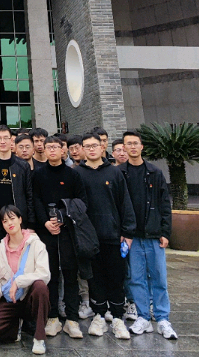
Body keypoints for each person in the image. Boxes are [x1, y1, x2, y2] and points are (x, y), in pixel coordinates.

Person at [119, 131, 177, 340]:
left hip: (153, 235)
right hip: (131, 236)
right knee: (136, 279)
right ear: (124, 148)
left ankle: (162, 318)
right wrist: (122, 233)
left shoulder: (154, 172)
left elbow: (164, 204)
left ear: (142, 146)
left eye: (136, 143)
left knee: (159, 277)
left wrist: (165, 232)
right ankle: (143, 316)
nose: (132, 147)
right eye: (128, 144)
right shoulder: (119, 173)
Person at [76, 132, 135, 340]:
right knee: (94, 279)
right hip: (89, 238)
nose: (91, 149)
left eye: (94, 145)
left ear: (102, 147)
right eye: (87, 146)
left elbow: (125, 203)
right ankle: (99, 315)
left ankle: (118, 318)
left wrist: (127, 232)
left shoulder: (115, 173)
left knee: (116, 278)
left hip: (113, 235)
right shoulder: (78, 173)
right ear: (82, 149)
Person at [32, 136, 87, 339]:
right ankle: (52, 317)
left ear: (63, 150)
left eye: (56, 147)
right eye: (49, 147)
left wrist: (63, 218)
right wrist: (45, 222)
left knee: (70, 274)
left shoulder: (73, 174)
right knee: (50, 275)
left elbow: (81, 201)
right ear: (44, 150)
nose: (53, 150)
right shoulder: (38, 175)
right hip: (46, 232)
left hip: (68, 231)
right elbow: (35, 200)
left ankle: (72, 319)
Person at [0, 205, 51, 356]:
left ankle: (39, 337)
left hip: (30, 297)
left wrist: (19, 281)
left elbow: (44, 273)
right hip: (11, 299)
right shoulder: (0, 250)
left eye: (12, 218)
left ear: (20, 220)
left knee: (40, 287)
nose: (9, 223)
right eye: (5, 221)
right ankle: (15, 330)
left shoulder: (35, 244)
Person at [0, 125, 34, 247]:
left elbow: (29, 195)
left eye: (5, 138)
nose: (2, 141)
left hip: (18, 220)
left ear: (11, 140)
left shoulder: (23, 166)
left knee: (19, 254)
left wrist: (31, 224)